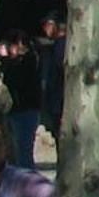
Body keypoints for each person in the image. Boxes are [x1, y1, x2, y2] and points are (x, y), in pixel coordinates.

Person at [0, 30, 41, 170]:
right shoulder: (22, 60)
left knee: (23, 152)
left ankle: (28, 185)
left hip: (25, 110)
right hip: (18, 110)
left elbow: (16, 79)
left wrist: (5, 59)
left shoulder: (29, 59)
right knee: (14, 152)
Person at [35, 15, 65, 150]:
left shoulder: (61, 45)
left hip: (60, 100)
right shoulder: (54, 46)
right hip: (55, 100)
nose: (44, 29)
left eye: (47, 25)